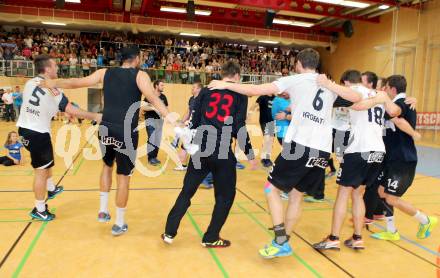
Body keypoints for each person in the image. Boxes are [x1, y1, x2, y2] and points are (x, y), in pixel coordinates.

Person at [208, 48, 362, 258]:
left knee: (271, 189)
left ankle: (281, 240)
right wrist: (330, 85)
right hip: (322, 151)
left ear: (298, 63)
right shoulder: (327, 83)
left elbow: (257, 90)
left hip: (300, 146)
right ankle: (284, 240)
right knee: (296, 196)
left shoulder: (296, 79)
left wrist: (226, 84)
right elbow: (356, 96)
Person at [39, 46, 175, 235]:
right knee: (124, 177)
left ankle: (103, 211)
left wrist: (52, 82)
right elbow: (153, 98)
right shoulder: (140, 75)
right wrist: (168, 115)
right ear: (136, 59)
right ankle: (119, 223)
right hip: (126, 131)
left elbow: (76, 82)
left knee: (106, 166)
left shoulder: (105, 72)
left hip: (106, 127)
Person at [162, 61, 257, 248]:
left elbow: (194, 122)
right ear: (236, 76)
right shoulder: (240, 94)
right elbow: (239, 126)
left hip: (199, 148)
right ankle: (211, 236)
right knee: (225, 196)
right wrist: (250, 154)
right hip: (221, 150)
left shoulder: (206, 90)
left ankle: (169, 232)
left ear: (222, 74)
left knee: (187, 191)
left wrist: (183, 147)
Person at [312, 70, 400, 250]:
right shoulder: (377, 93)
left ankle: (334, 237)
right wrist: (381, 99)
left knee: (343, 193)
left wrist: (328, 84)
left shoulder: (355, 92)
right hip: (378, 151)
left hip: (359, 149)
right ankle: (357, 237)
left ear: (346, 83)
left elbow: (359, 105)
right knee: (358, 193)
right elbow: (395, 111)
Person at [17, 54, 101, 221]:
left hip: (25, 129)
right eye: (54, 66)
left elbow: (42, 104)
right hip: (37, 133)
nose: (57, 68)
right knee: (40, 172)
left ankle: (51, 188)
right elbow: (69, 108)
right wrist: (94, 116)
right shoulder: (53, 88)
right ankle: (39, 209)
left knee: (47, 163)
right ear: (47, 69)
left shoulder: (29, 83)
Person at [370, 75, 437, 241]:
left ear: (392, 89)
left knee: (391, 197)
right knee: (381, 191)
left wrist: (414, 133)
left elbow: (398, 119)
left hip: (402, 160)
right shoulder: (401, 102)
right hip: (391, 159)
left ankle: (426, 220)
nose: (383, 91)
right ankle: (391, 231)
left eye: (385, 89)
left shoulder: (401, 104)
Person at [173, 82, 202, 171]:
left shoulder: (203, 100)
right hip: (191, 126)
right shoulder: (191, 99)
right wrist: (181, 122)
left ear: (199, 89)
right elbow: (188, 112)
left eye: (194, 87)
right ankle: (184, 165)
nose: (192, 89)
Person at [142, 79, 169, 166]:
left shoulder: (163, 97)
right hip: (150, 120)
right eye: (161, 85)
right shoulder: (149, 96)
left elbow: (166, 109)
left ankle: (154, 157)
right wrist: (153, 107)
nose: (163, 87)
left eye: (163, 85)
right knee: (152, 139)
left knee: (157, 140)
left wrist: (168, 117)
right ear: (156, 86)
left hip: (159, 121)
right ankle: (150, 158)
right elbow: (143, 107)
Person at [249, 94, 275, 167]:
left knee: (270, 140)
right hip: (264, 121)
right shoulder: (263, 97)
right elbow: (254, 106)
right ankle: (265, 159)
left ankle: (266, 158)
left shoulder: (275, 98)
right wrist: (250, 114)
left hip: (272, 122)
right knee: (267, 139)